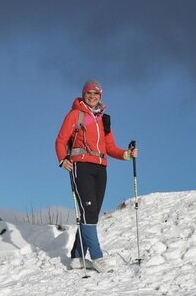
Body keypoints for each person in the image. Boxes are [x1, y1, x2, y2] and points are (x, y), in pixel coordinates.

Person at [55, 79, 137, 272]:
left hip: (101, 169)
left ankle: (77, 257)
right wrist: (62, 159)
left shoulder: (104, 119)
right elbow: (60, 140)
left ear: (100, 96)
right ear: (83, 94)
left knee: (90, 214)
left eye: (96, 93)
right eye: (89, 93)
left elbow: (110, 147)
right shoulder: (75, 115)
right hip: (81, 166)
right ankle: (97, 257)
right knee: (89, 212)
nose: (92, 96)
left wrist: (127, 154)